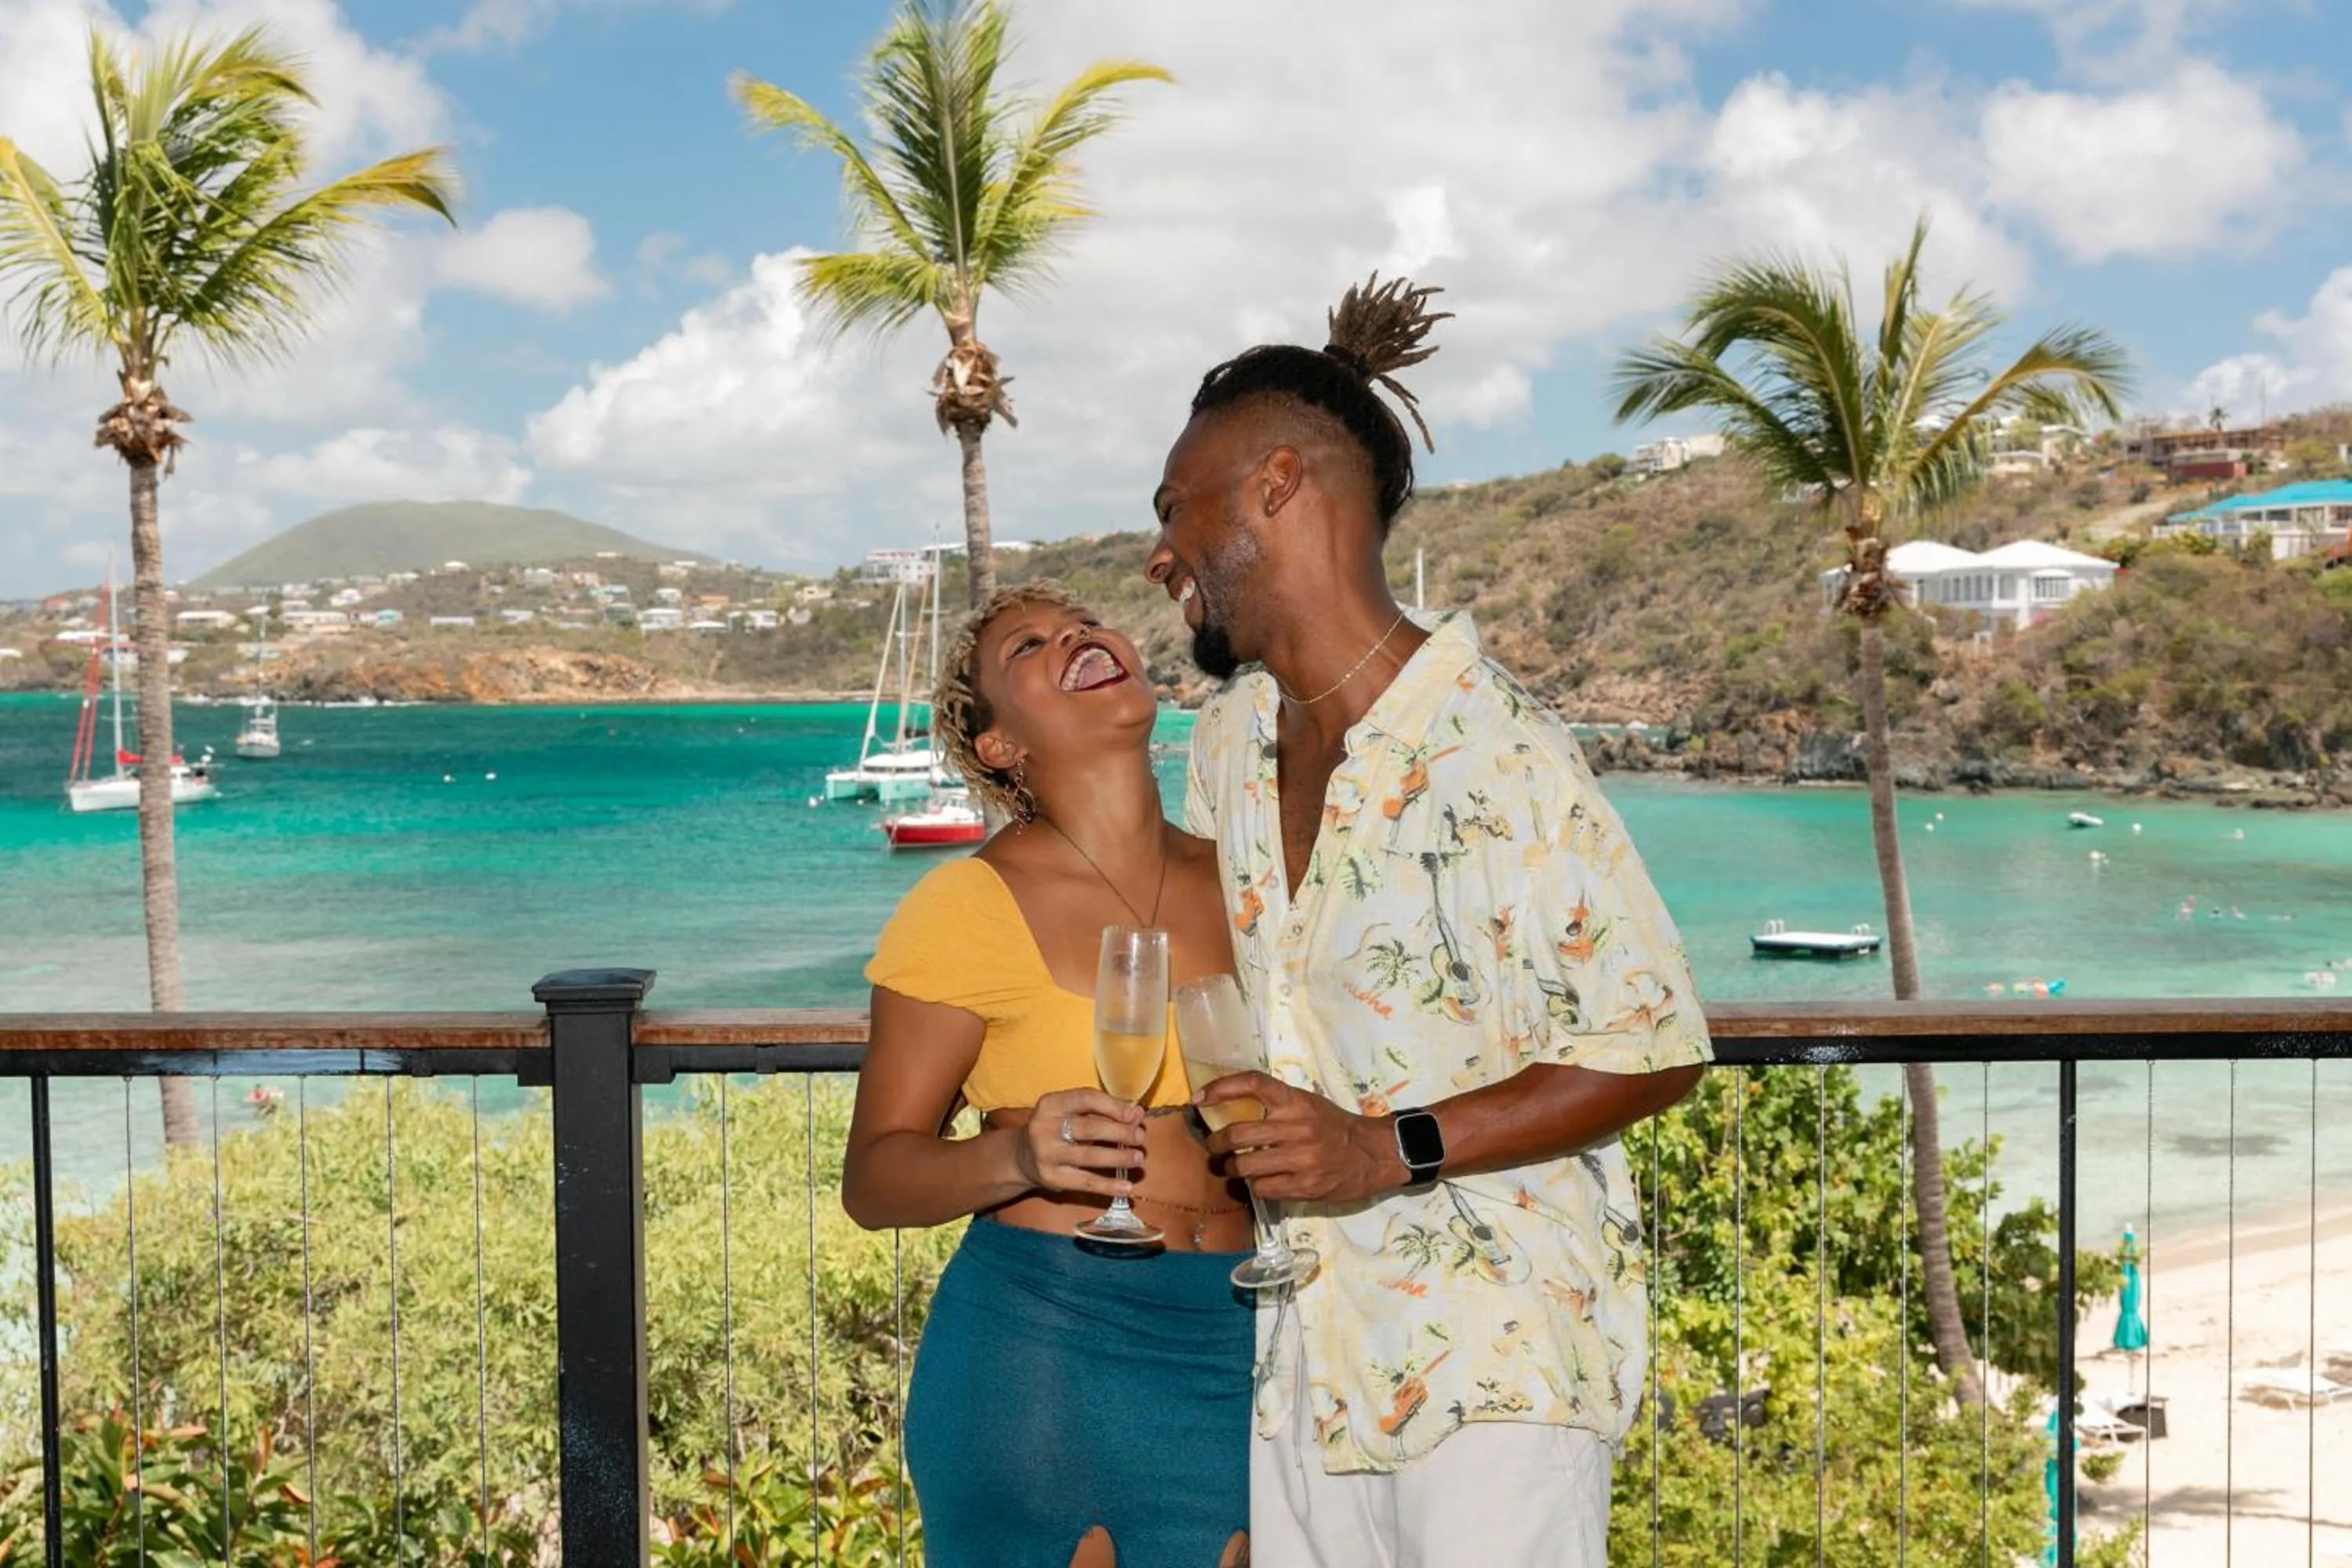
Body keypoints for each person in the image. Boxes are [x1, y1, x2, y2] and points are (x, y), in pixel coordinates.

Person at [1145, 276, 1711, 1565]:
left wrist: (1380, 1149)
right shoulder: (1228, 745)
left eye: (1175, 506)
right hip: (1305, 1362)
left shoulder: (1492, 746)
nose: (1159, 548)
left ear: (1279, 487)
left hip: (1493, 1359)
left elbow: (1652, 1041)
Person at [845, 582, 1253, 1568]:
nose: (1075, 635)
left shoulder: (1249, 876)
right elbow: (875, 1178)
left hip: (1241, 1328)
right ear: (999, 746)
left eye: (1083, 625)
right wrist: (1018, 1153)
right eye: (1029, 646)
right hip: (1047, 1338)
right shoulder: (965, 905)